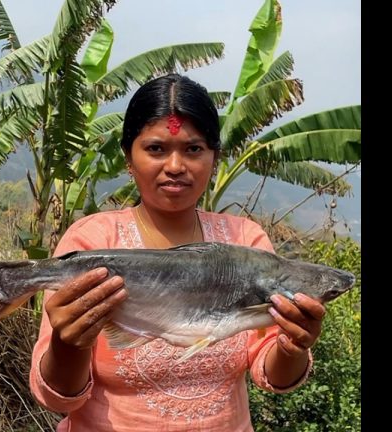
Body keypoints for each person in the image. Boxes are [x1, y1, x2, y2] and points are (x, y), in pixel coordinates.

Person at [29, 73, 326, 431]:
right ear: (128, 157)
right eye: (156, 149)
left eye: (193, 149)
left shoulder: (244, 242)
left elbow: (271, 373)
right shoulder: (93, 241)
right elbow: (57, 396)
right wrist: (68, 343)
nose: (175, 166)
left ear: (214, 158)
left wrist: (294, 345)